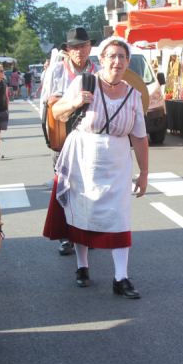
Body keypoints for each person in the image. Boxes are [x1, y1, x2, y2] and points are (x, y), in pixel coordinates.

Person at [43, 36, 148, 299]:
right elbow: (57, 113)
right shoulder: (84, 82)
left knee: (120, 216)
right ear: (101, 60)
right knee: (82, 212)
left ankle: (120, 277)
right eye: (111, 56)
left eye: (122, 57)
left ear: (127, 62)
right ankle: (82, 268)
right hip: (83, 159)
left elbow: (139, 136)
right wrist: (75, 102)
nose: (117, 61)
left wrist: (144, 173)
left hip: (119, 162)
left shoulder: (134, 95)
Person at [39, 28, 102, 256]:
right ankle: (66, 236)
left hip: (90, 136)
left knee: (90, 185)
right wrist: (49, 136)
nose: (80, 51)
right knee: (65, 185)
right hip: (63, 133)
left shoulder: (98, 70)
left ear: (89, 48)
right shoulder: (56, 70)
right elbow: (46, 104)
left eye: (84, 46)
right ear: (68, 50)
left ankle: (88, 233)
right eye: (75, 47)